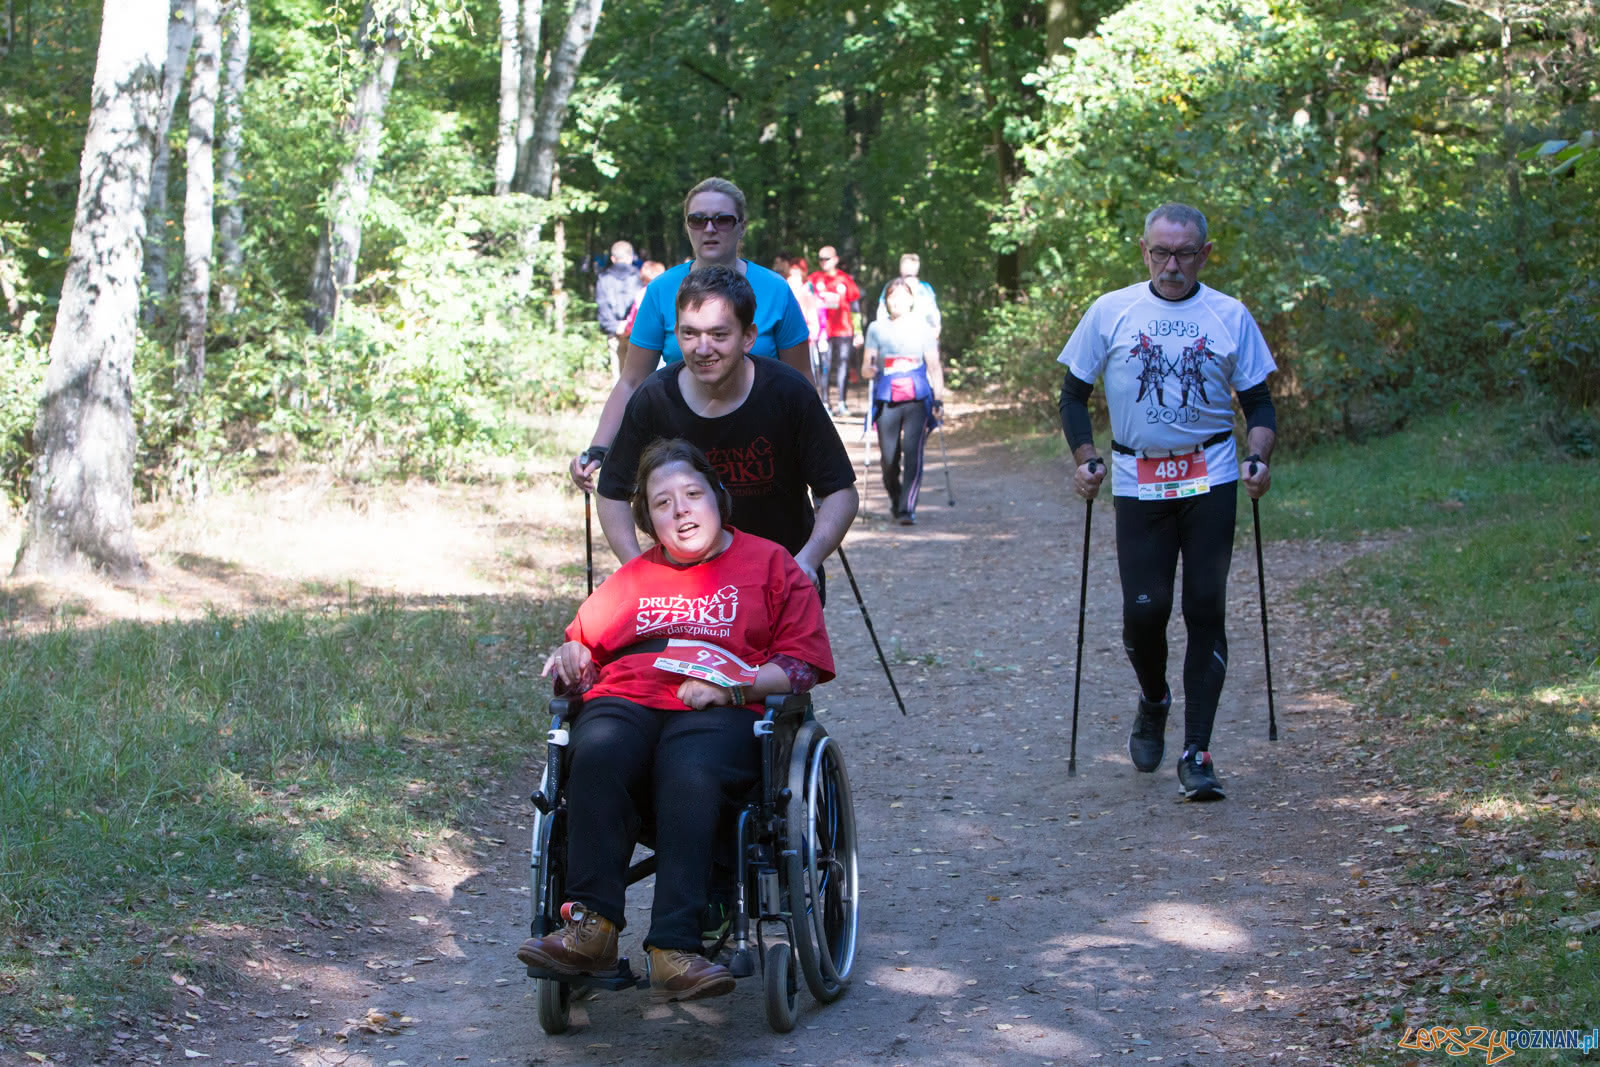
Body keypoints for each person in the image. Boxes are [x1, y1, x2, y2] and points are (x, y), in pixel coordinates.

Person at [517, 437, 835, 1002]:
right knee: (598, 751)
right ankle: (592, 932)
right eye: (663, 504)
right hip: (630, 698)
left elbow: (803, 664)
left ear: (719, 496)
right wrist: (575, 659)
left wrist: (737, 686)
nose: (681, 510)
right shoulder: (636, 577)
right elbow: (582, 651)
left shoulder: (770, 564)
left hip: (721, 703)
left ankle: (673, 947)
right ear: (649, 519)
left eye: (692, 494)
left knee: (689, 765)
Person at [1058, 202, 1277, 801]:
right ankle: (1154, 698)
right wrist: (1085, 458)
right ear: (1143, 250)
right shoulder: (1111, 311)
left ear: (1205, 254)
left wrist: (1258, 456)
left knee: (1204, 606)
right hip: (1138, 477)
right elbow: (1073, 396)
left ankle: (1197, 752)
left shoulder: (1229, 314)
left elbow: (1259, 404)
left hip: (1212, 475)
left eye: (1184, 253)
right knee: (1144, 611)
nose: (1171, 264)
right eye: (1161, 252)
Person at [594, 266, 857, 602]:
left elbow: (840, 492)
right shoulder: (655, 398)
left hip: (782, 582)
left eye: (719, 335)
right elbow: (612, 493)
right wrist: (636, 569)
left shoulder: (788, 393)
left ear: (748, 336)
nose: (703, 348)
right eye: (689, 334)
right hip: (688, 590)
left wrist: (807, 560)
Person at [569, 178, 813, 494]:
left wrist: (814, 456)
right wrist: (600, 448)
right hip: (686, 454)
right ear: (687, 227)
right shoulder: (660, 291)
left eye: (722, 219)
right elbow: (631, 381)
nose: (709, 228)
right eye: (698, 220)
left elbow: (802, 378)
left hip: (766, 452)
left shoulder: (776, 289)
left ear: (742, 226)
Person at [863, 277, 944, 525]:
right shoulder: (876, 328)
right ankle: (896, 497)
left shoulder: (923, 328)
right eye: (891, 297)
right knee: (889, 458)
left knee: (912, 451)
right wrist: (870, 370)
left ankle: (907, 508)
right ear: (885, 301)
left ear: (911, 301)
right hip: (887, 395)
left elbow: (934, 366)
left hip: (918, 396)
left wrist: (939, 400)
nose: (896, 302)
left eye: (901, 297)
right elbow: (866, 366)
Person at [807, 246, 864, 417]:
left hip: (844, 330)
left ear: (836, 259)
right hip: (822, 333)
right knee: (824, 366)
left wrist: (858, 331)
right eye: (821, 259)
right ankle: (824, 402)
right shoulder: (813, 279)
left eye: (827, 258)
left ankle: (842, 402)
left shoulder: (845, 280)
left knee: (843, 365)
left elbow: (855, 307)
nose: (823, 262)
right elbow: (804, 301)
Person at [595, 240, 643, 372]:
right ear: (631, 257)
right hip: (637, 334)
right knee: (640, 378)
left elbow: (602, 307)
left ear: (612, 258)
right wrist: (630, 326)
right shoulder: (639, 276)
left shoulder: (603, 278)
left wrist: (616, 327)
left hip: (614, 333)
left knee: (618, 380)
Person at [876, 252, 941, 341]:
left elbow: (933, 312)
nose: (909, 268)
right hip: (895, 334)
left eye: (911, 265)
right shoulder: (891, 286)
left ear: (917, 267)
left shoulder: (926, 288)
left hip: (921, 335)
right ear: (901, 268)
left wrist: (936, 329)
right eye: (906, 265)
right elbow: (882, 309)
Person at [617, 259, 666, 349]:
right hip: (664, 338)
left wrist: (625, 330)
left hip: (646, 340)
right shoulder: (668, 293)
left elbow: (635, 318)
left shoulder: (643, 293)